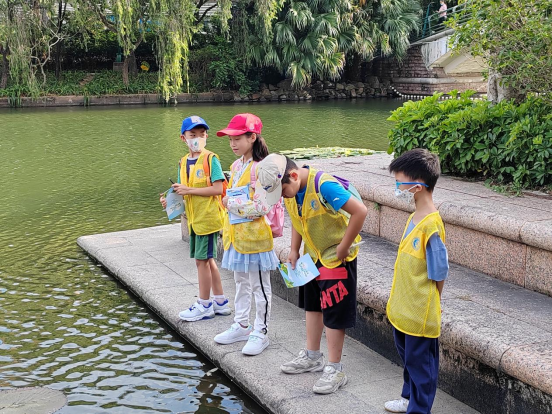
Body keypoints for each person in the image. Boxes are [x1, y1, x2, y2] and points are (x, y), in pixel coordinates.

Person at [255, 154, 368, 395]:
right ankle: (312, 356)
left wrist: (344, 246)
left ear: (294, 175)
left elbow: (360, 211)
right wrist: (294, 249)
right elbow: (298, 220)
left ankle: (335, 368)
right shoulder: (292, 190)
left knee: (334, 312)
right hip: (312, 257)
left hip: (336, 258)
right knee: (313, 306)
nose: (282, 197)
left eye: (283, 191)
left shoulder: (324, 186)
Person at [384, 148, 449, 414]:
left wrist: (432, 303)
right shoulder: (414, 217)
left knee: (421, 365)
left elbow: (439, 273)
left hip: (420, 311)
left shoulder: (432, 226)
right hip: (404, 307)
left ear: (418, 186)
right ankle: (408, 397)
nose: (397, 188)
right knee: (409, 358)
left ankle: (419, 409)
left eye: (400, 182)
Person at [213, 113, 280, 356]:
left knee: (259, 286)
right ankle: (241, 324)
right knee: (241, 282)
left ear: (252, 137)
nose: (232, 144)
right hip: (236, 236)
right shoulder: (236, 165)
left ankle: (261, 331)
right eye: (230, 139)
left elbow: (262, 206)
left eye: (237, 138)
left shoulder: (264, 168)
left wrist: (230, 204)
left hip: (256, 239)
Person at [159, 115, 231, 322]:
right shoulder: (183, 162)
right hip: (194, 220)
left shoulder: (211, 159)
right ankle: (220, 302)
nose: (198, 138)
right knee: (208, 260)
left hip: (208, 219)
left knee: (202, 261)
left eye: (202, 133)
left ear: (207, 136)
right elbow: (181, 191)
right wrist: (169, 200)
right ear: (183, 138)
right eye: (193, 134)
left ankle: (204, 304)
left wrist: (188, 190)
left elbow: (218, 189)